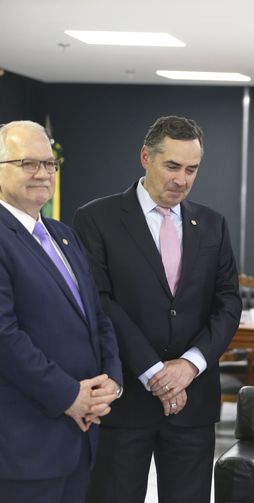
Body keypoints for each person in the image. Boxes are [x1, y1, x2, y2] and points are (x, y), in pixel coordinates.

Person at [73, 116, 242, 503]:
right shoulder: (95, 219)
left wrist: (189, 366)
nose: (181, 179)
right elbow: (99, 302)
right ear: (145, 157)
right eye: (172, 166)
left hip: (193, 402)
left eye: (191, 169)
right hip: (124, 399)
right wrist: (155, 373)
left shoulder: (213, 225)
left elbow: (228, 301)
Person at [0, 120, 122, 502]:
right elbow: (5, 337)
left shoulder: (63, 235)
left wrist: (111, 383)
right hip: (25, 444)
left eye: (49, 164)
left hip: (80, 438)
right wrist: (70, 396)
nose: (42, 173)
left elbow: (97, 317)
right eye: (27, 163)